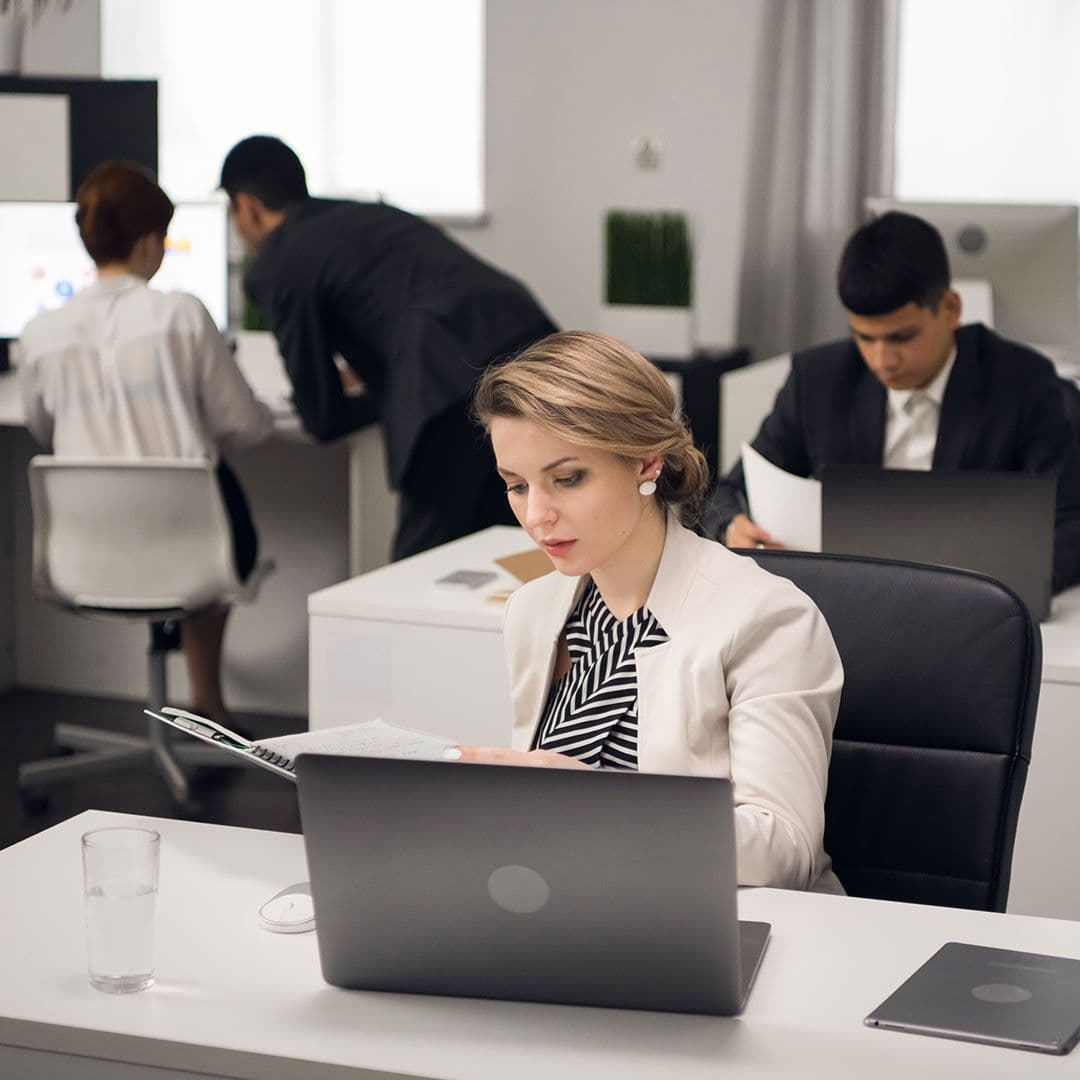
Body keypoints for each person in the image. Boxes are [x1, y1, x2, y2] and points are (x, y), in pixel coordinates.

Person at [452, 330, 844, 892]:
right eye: (516, 486)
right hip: (574, 904)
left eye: (567, 479)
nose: (536, 515)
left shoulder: (768, 618)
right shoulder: (534, 611)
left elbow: (785, 852)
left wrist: (594, 799)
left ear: (646, 464)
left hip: (722, 926)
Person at [218, 135, 557, 560]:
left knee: (422, 568)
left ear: (246, 206)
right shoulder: (363, 216)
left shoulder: (277, 261)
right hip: (529, 339)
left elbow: (322, 418)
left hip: (445, 380)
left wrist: (383, 402)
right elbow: (406, 299)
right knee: (525, 547)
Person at [706, 210, 1080, 594]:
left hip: (976, 607)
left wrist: (993, 587)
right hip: (847, 601)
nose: (882, 360)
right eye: (865, 338)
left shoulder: (1024, 382)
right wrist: (731, 524)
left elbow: (1071, 522)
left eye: (902, 337)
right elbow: (729, 491)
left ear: (951, 309)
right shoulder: (817, 380)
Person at [18, 161, 273, 724]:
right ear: (149, 242)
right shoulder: (181, 315)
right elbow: (246, 427)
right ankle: (207, 700)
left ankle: (201, 700)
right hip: (188, 555)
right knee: (212, 495)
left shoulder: (39, 334)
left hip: (84, 561)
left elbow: (43, 430)